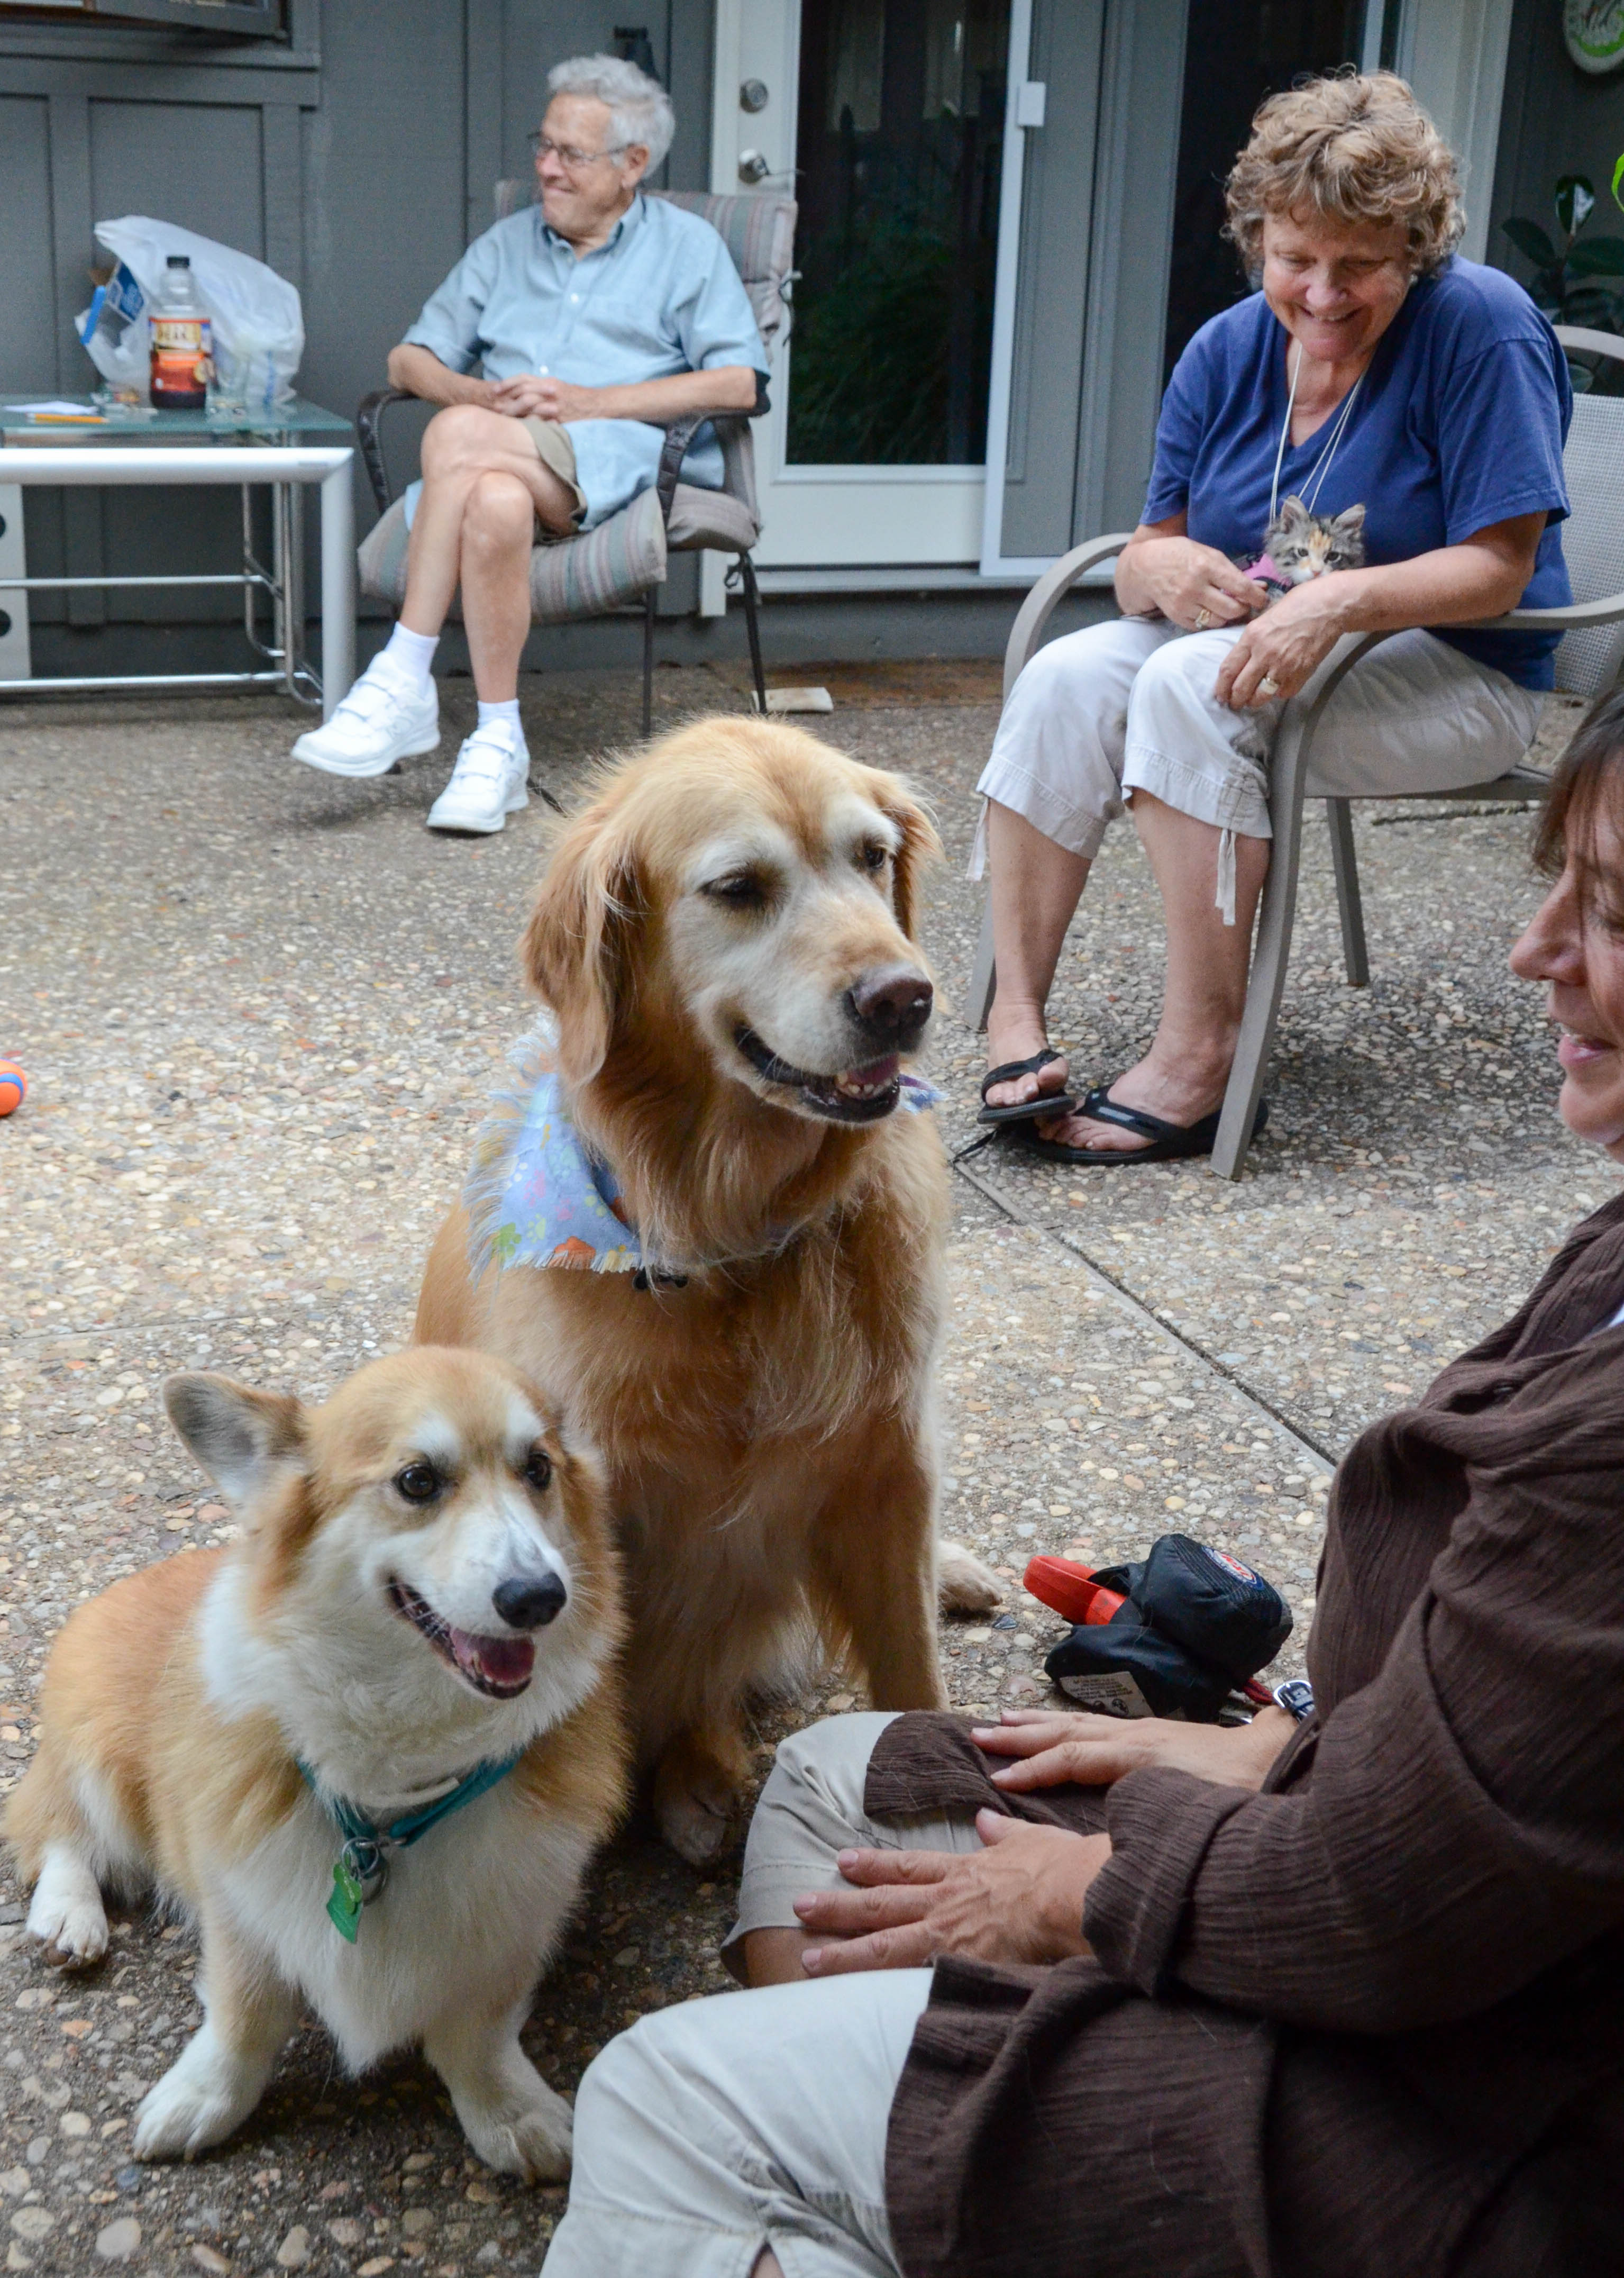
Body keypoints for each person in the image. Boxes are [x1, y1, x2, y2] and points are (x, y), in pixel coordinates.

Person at [540, 686, 1624, 2278]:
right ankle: (977, 2155)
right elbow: (1527, 1746)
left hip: (1473, 2107)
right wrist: (1270, 1739)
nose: (1528, 950)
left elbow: (1392, 1908)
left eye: (1601, 910)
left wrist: (1079, 1904)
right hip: (1389, 1857)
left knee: (661, 2101)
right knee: (827, 1780)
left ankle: (1009, 2130)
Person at [975, 71, 1571, 1163]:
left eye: (1361, 267)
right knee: (1065, 674)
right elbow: (1144, 553)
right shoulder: (1224, 348)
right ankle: (1012, 1014)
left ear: (1416, 249)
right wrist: (1169, 572)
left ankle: (1201, 1057)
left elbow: (1499, 568)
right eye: (1295, 260)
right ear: (1257, 239)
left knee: (1182, 686)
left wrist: (1340, 599)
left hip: (1458, 671)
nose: (1322, 296)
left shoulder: (1480, 328)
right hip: (1258, 649)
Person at [290, 52, 767, 834]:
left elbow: (738, 384)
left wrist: (589, 403)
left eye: (570, 155)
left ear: (632, 165)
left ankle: (405, 671)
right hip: (504, 462)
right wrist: (479, 397)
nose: (546, 168)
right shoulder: (508, 246)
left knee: (456, 437)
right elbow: (408, 360)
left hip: (615, 461)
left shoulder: (686, 249)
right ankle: (498, 742)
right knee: (494, 495)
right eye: (542, 147)